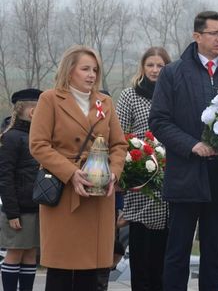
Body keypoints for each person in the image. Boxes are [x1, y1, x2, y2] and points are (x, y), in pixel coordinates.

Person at [149, 10, 218, 291]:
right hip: (186, 175)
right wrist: (192, 145)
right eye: (214, 33)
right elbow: (158, 120)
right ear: (196, 36)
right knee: (177, 253)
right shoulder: (173, 73)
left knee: (214, 255)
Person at [29, 45, 127, 291]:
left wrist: (113, 173)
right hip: (64, 195)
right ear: (70, 70)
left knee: (92, 273)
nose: (92, 74)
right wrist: (71, 173)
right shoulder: (50, 99)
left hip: (99, 195)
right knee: (61, 271)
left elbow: (119, 144)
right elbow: (38, 145)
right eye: (85, 69)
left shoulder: (105, 101)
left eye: (95, 69)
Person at [116, 46, 171, 291]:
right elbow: (119, 134)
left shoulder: (173, 94)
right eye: (150, 65)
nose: (155, 70)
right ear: (143, 67)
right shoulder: (130, 95)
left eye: (160, 65)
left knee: (162, 257)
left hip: (169, 179)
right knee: (141, 254)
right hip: (140, 176)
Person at [0, 88, 42, 291]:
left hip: (35, 206)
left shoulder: (36, 137)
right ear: (32, 112)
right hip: (18, 209)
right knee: (15, 252)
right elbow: (4, 177)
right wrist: (12, 211)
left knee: (30, 253)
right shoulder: (11, 137)